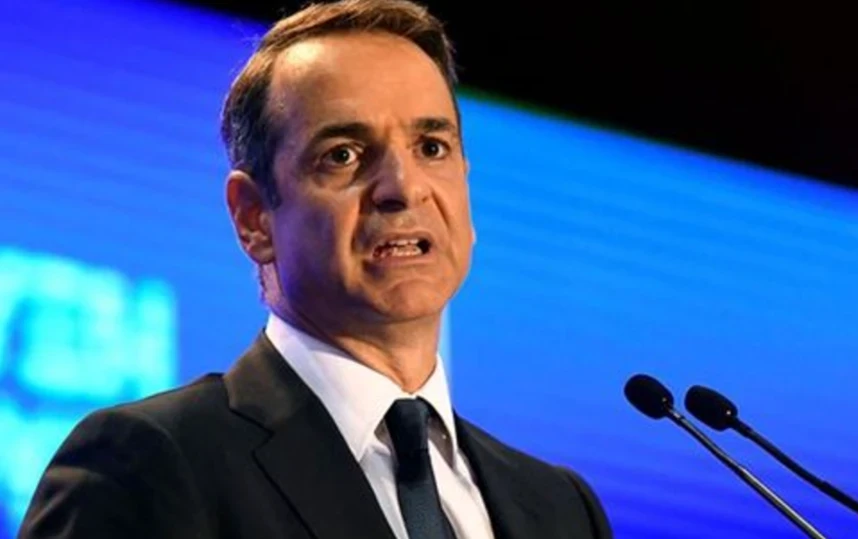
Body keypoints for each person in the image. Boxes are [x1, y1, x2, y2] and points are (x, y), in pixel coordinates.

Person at [17, 1, 613, 538]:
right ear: (254, 217)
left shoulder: (560, 509)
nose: (403, 188)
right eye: (343, 155)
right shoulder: (149, 463)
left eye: (432, 147)